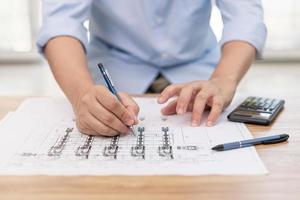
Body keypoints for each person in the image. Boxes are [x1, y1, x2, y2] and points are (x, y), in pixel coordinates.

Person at [37, 0, 267, 136]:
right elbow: (60, 21)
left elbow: (244, 17)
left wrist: (223, 79)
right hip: (113, 74)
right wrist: (81, 95)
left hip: (200, 77)